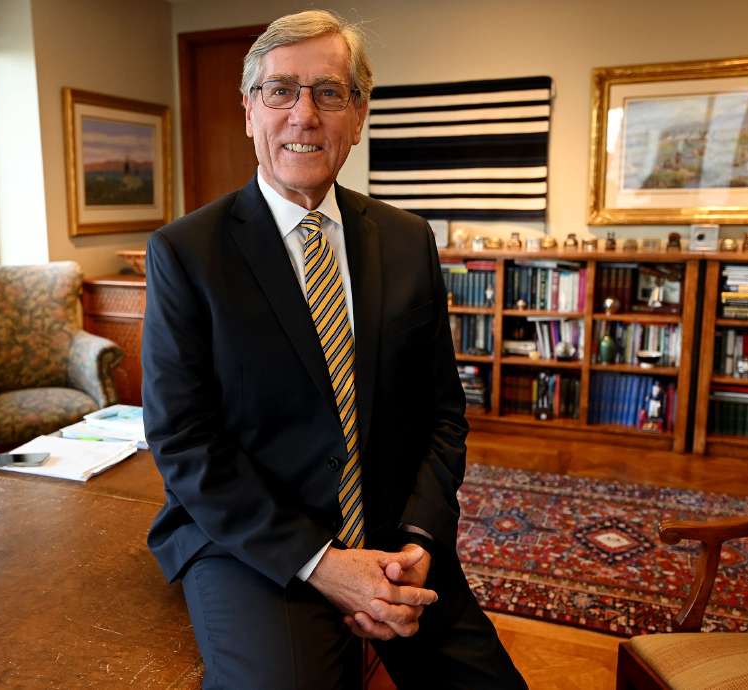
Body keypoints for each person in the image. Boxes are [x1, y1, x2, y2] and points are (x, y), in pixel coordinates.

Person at [142, 10, 526, 689]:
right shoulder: (187, 253)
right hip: (255, 542)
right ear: (249, 110)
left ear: (358, 114)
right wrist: (324, 564)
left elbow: (443, 415)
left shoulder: (408, 241)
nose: (304, 115)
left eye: (329, 92)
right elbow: (185, 443)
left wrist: (419, 541)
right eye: (280, 90)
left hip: (392, 537)